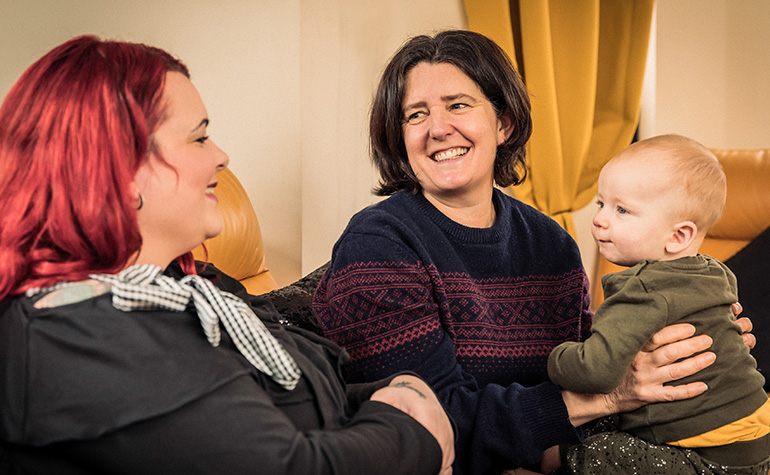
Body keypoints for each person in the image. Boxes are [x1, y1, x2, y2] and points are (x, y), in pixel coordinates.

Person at [0, 35, 454, 475]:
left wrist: (401, 392)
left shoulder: (200, 286)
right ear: (121, 170)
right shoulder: (73, 334)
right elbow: (287, 465)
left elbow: (304, 400)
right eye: (199, 139)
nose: (221, 156)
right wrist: (414, 433)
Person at [312, 30, 755, 475]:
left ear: (503, 124)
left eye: (458, 105)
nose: (438, 128)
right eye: (416, 114)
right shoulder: (377, 245)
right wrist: (607, 395)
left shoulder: (551, 243)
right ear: (399, 136)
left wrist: (688, 345)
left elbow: (592, 365)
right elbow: (428, 424)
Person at [547, 134, 769, 473]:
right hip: (755, 439)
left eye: (621, 210)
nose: (600, 219)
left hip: (702, 457)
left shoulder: (643, 288)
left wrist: (555, 358)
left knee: (596, 450)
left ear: (678, 236)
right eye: (600, 204)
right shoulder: (715, 272)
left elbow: (596, 370)